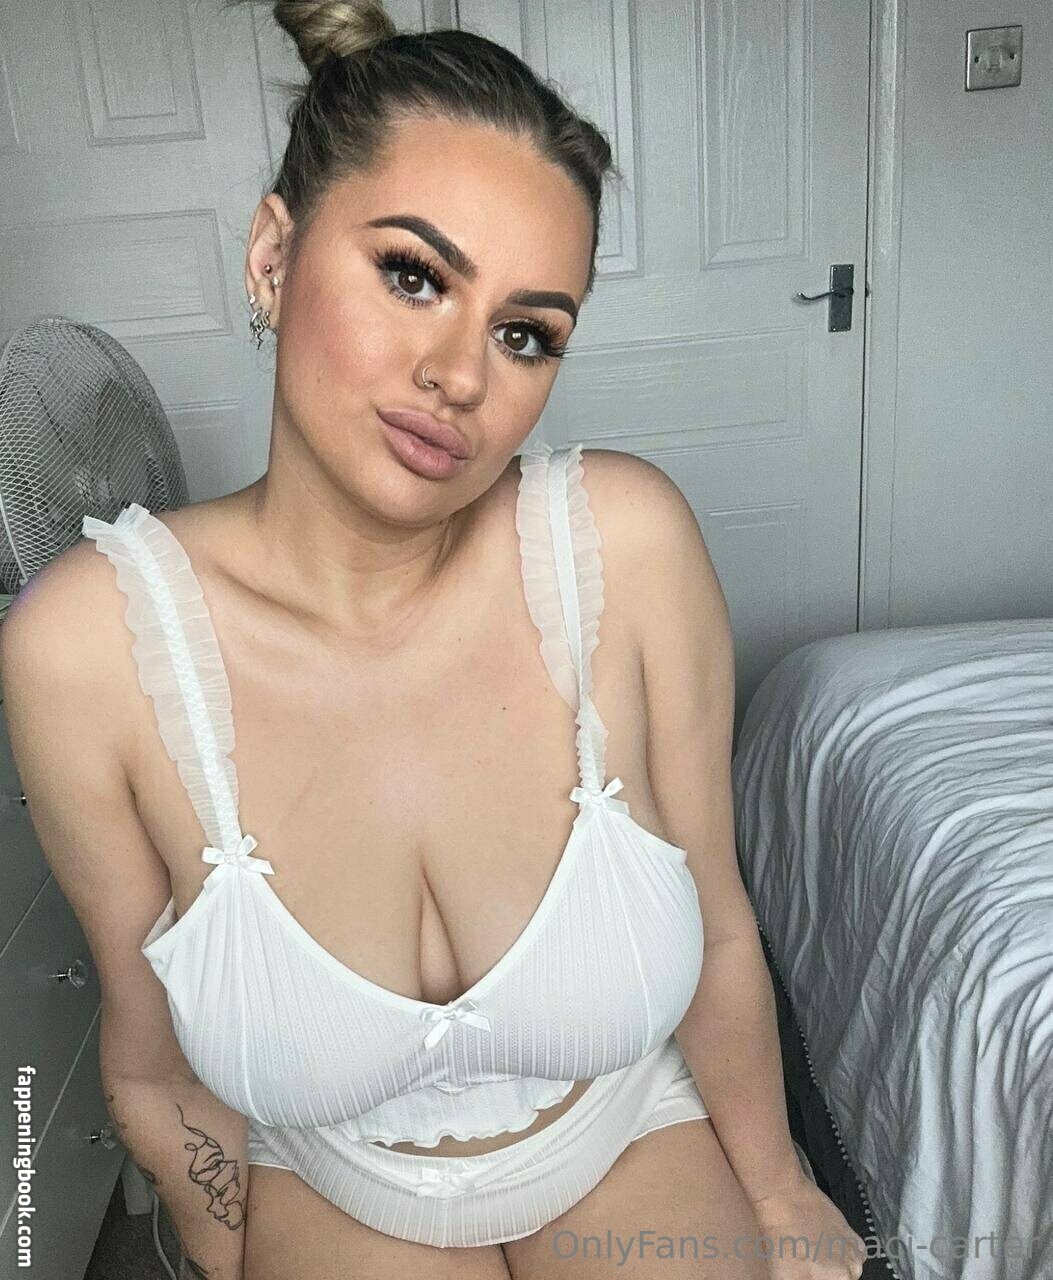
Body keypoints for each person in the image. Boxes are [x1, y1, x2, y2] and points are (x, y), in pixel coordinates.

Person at [1, 3, 865, 1278]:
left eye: (526, 333)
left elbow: (724, 929)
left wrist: (785, 1198)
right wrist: (229, 1256)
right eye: (414, 275)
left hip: (623, 1133)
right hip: (329, 1181)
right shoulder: (88, 651)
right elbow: (151, 1064)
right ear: (273, 255)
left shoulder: (625, 548)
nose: (464, 375)